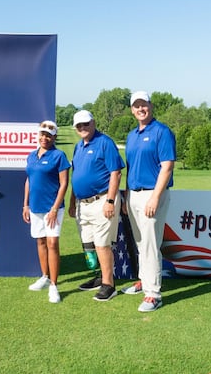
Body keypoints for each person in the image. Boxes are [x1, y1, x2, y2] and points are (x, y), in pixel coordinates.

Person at [122, 91, 176, 312]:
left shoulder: (161, 132)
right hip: (134, 194)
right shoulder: (132, 135)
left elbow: (167, 166)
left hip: (153, 194)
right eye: (136, 106)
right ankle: (144, 280)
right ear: (132, 110)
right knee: (140, 242)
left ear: (151, 106)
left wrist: (155, 196)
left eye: (144, 105)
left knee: (151, 244)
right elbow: (131, 167)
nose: (140, 109)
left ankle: (153, 294)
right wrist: (126, 195)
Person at [68, 110, 125, 302]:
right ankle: (100, 277)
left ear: (93, 123)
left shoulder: (105, 143)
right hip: (82, 204)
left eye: (86, 124)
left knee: (102, 244)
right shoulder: (78, 147)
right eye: (79, 126)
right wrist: (72, 201)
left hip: (102, 200)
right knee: (89, 245)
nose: (82, 128)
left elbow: (115, 173)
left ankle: (109, 284)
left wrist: (110, 201)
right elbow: (76, 175)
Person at [22, 120, 70, 303]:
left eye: (49, 135)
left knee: (52, 243)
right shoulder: (31, 156)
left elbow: (64, 184)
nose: (45, 137)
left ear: (54, 137)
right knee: (40, 241)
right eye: (42, 134)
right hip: (35, 207)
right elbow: (29, 180)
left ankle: (54, 286)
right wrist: (25, 204)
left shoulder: (59, 156)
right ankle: (44, 276)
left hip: (53, 209)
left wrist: (54, 208)